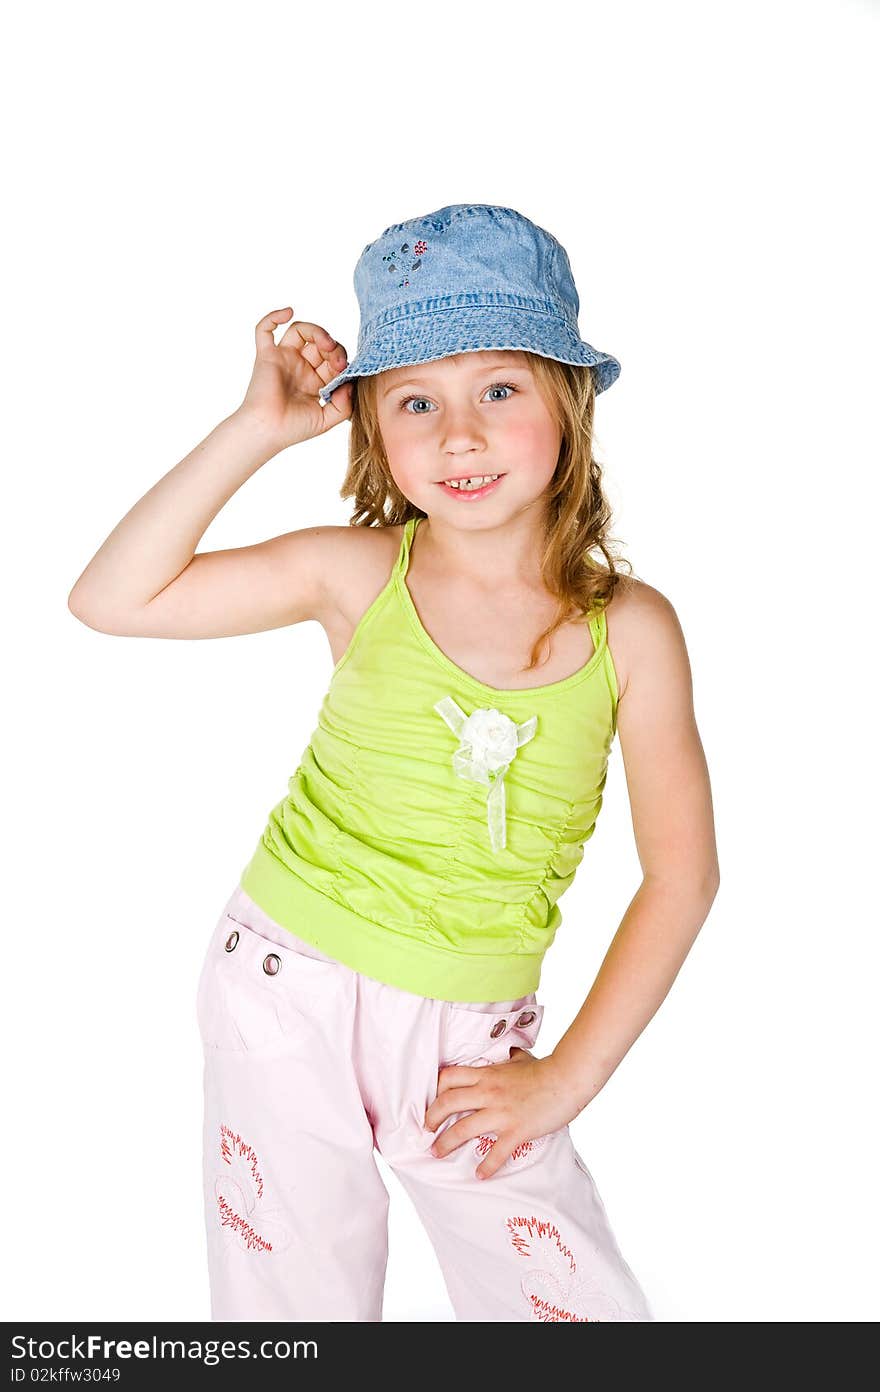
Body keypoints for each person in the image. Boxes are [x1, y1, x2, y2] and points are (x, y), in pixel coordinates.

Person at [68, 202, 719, 1323]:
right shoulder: (356, 573)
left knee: (573, 1312)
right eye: (416, 401)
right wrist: (255, 431)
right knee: (289, 1317)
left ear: (567, 404)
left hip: (469, 1047)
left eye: (498, 390)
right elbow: (110, 599)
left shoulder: (633, 631)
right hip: (286, 986)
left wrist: (567, 1077)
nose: (457, 434)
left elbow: (681, 876)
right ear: (371, 428)